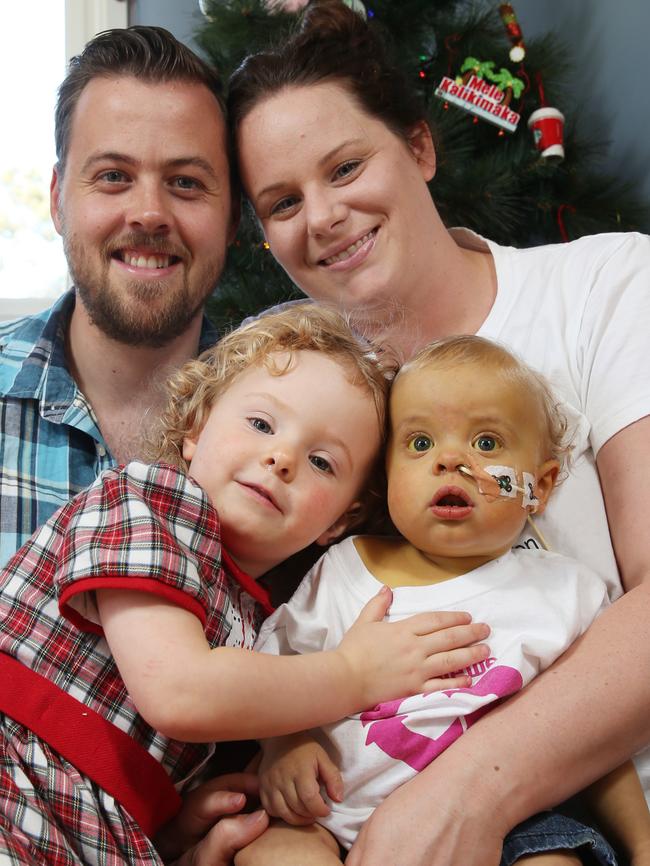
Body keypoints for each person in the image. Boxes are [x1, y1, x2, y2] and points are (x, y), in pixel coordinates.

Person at [227, 2, 650, 863]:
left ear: (419, 149)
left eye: (346, 166)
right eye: (281, 202)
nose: (323, 217)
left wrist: (468, 796)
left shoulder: (608, 286)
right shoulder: (288, 384)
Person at [0, 303, 491, 865]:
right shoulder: (143, 501)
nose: (281, 458)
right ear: (195, 426)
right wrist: (355, 673)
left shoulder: (259, 622)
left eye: (322, 462)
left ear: (340, 521)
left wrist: (174, 829)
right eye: (261, 424)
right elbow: (180, 691)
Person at [238, 336, 650, 866]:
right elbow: (273, 674)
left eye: (484, 443)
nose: (449, 460)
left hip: (513, 827)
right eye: (419, 444)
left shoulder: (567, 593)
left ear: (540, 487)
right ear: (386, 477)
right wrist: (285, 745)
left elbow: (598, 736)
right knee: (270, 853)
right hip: (330, 807)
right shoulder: (347, 568)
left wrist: (641, 842)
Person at [0, 25, 237, 569]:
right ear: (58, 201)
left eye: (185, 183)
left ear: (232, 220)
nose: (149, 212)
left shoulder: (295, 429)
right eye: (113, 176)